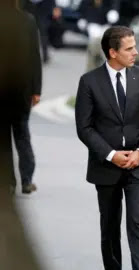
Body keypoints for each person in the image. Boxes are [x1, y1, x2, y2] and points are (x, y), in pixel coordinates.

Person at [75, 26, 139, 270]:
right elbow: (85, 128)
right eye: (129, 48)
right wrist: (112, 155)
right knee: (110, 227)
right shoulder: (89, 82)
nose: (136, 52)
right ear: (113, 52)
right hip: (106, 167)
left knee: (138, 222)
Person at [0, 0, 43, 268]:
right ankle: (25, 179)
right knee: (22, 135)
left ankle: (14, 182)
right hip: (22, 90)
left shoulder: (24, 22)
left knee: (9, 139)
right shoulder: (26, 21)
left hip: (13, 90)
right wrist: (36, 88)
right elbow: (34, 57)